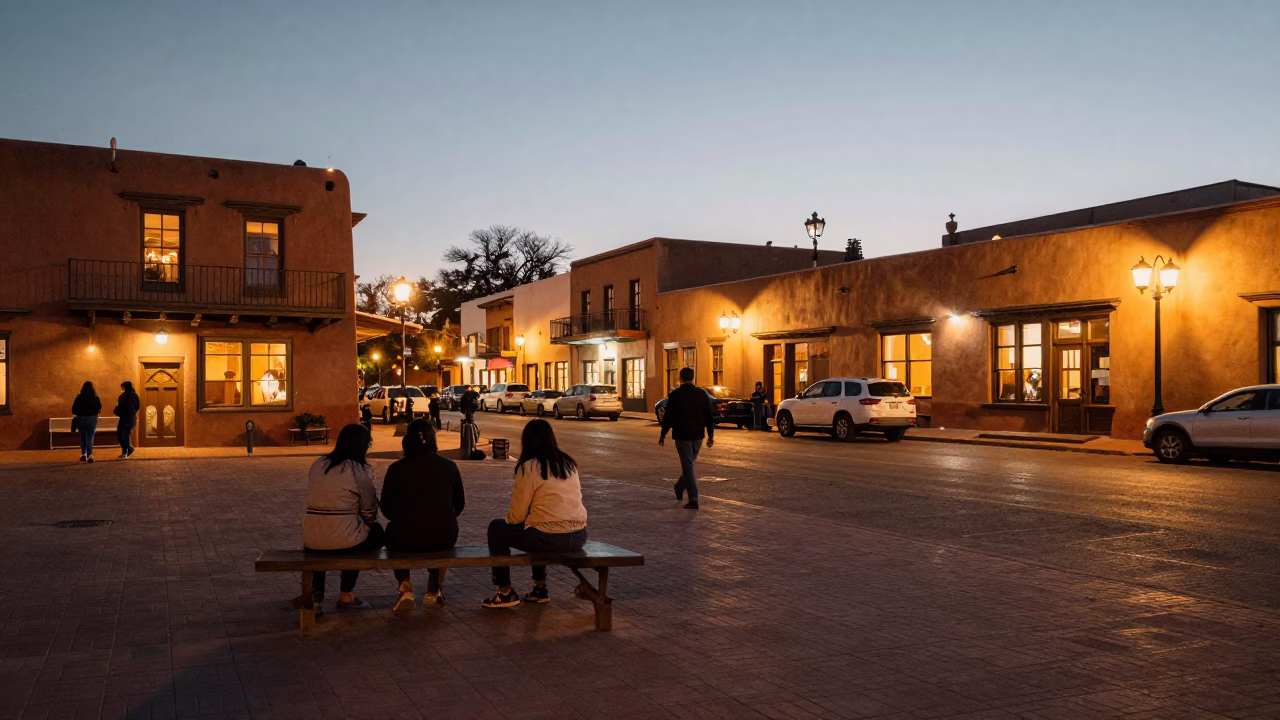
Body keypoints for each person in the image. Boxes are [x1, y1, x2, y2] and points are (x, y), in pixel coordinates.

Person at [483, 418, 588, 608]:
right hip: (578, 536)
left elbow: (516, 517)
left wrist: (518, 517)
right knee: (536, 523)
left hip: (549, 539)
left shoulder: (530, 467)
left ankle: (505, 590)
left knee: (497, 528)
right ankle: (540, 589)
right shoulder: (568, 463)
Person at [381, 420, 465, 610]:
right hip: (443, 536)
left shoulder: (396, 468)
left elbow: (386, 508)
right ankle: (434, 588)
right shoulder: (449, 466)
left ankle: (404, 586)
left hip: (404, 537)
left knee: (392, 531)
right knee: (438, 526)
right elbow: (459, 504)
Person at [299, 424, 383, 612]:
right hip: (346, 539)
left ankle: (316, 596)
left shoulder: (318, 464)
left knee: (324, 541)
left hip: (311, 537)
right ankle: (346, 594)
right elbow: (370, 511)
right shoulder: (360, 470)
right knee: (371, 532)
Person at [659, 367, 714, 509]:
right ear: (693, 378)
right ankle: (683, 489)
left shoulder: (676, 395)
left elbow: (668, 416)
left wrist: (663, 434)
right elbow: (708, 415)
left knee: (688, 466)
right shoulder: (701, 394)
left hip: (682, 435)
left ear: (680, 378)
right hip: (697, 436)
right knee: (689, 465)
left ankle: (691, 497)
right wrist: (711, 434)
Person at [71, 381, 102, 463]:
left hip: (81, 418)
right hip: (92, 418)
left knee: (82, 437)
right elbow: (99, 407)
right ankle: (90, 455)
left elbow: (73, 409)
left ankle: (83, 454)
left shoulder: (79, 397)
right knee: (90, 437)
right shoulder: (95, 398)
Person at [113, 381, 141, 459]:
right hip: (132, 417)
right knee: (125, 434)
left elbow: (120, 406)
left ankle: (127, 450)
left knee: (121, 435)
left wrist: (116, 411)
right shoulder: (135, 395)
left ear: (124, 387)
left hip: (124, 417)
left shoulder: (123, 396)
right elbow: (137, 406)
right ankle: (126, 451)